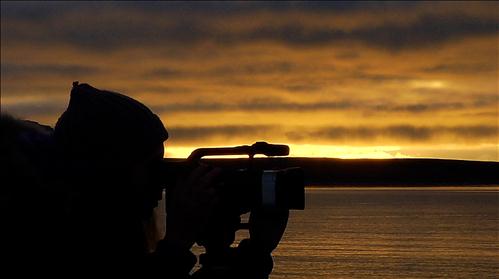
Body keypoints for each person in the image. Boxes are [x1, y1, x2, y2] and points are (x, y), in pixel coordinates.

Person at [2, 82, 288, 278]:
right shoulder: (49, 234)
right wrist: (177, 241)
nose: (158, 183)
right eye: (150, 166)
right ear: (109, 171)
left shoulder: (99, 222)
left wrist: (256, 252)